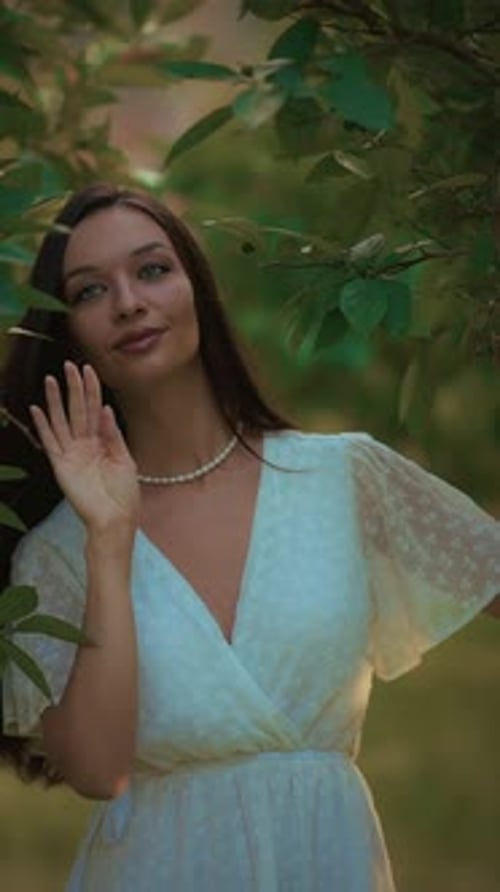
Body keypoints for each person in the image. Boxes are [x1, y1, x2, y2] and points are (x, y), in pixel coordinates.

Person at [1, 183, 499, 892]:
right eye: (88, 291)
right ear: (66, 331)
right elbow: (99, 771)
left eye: (152, 270)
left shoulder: (342, 476)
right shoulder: (57, 549)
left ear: (197, 289)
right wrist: (109, 538)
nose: (129, 303)